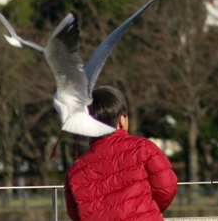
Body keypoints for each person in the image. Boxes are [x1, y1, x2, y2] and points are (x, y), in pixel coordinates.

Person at [64, 86, 177, 221]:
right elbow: (166, 187)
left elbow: (75, 213)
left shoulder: (75, 171)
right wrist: (147, 209)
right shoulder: (143, 148)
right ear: (122, 120)